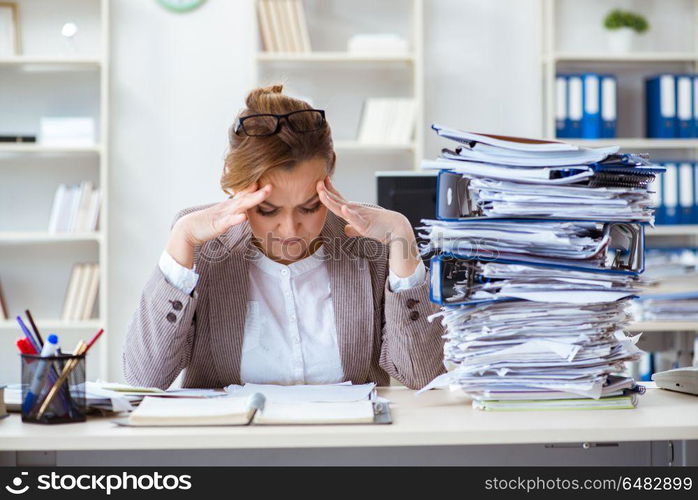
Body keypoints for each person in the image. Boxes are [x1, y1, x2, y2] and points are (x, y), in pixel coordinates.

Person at [122, 84, 445, 390]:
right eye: (267, 210)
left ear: (329, 180)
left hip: (345, 441)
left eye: (310, 207)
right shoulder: (201, 245)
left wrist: (404, 241)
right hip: (232, 445)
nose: (290, 230)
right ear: (236, 188)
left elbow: (422, 376)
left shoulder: (368, 245)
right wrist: (181, 240)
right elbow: (144, 379)